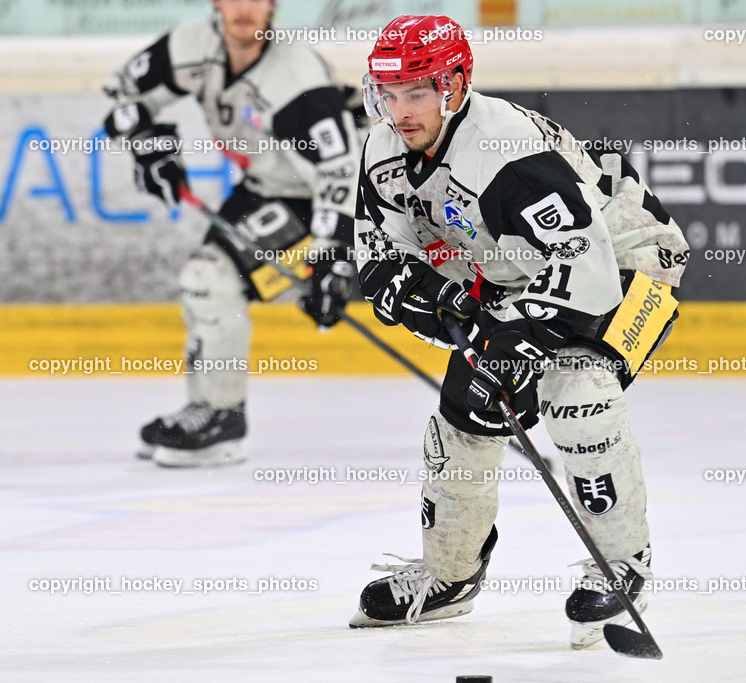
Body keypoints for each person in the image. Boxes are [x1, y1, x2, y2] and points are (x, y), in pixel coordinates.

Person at [349, 15, 690, 650]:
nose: (400, 110)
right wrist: (417, 294)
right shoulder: (381, 152)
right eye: (387, 93)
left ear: (456, 85)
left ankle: (624, 565)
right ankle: (450, 577)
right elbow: (380, 251)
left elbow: (586, 276)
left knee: (575, 392)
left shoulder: (508, 153)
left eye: (417, 91)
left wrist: (512, 342)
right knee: (463, 420)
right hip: (517, 274)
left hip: (627, 263)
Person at [102, 0, 362, 467]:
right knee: (205, 285)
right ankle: (209, 407)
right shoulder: (191, 45)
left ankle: (223, 420)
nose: (245, 8)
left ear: (274, 6)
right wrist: (152, 147)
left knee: (211, 280)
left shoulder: (296, 77)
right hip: (263, 186)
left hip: (324, 197)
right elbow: (123, 94)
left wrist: (331, 256)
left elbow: (341, 171)